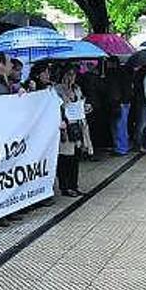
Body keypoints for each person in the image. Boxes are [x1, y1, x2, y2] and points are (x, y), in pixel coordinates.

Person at [55, 64, 90, 197]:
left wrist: (85, 107)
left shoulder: (77, 89)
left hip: (77, 126)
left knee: (75, 156)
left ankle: (74, 185)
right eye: (69, 74)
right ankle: (65, 186)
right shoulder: (57, 90)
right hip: (65, 127)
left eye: (73, 74)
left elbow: (79, 104)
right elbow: (57, 107)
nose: (71, 77)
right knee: (65, 157)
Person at [105, 57, 133, 155]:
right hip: (124, 102)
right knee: (121, 126)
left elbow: (114, 91)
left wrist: (117, 102)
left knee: (119, 126)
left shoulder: (113, 74)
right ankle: (121, 146)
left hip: (118, 103)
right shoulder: (124, 73)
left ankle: (121, 148)